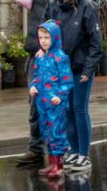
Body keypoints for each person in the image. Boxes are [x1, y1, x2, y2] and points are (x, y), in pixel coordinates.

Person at [2, 0, 62, 166]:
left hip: (54, 59)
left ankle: (59, 151)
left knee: (55, 104)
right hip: (35, 57)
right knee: (35, 105)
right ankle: (35, 150)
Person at [44, 0, 103, 172]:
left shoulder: (87, 6)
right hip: (61, 69)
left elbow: (96, 43)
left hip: (80, 68)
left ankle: (84, 155)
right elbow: (46, 34)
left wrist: (88, 69)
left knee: (79, 109)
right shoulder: (53, 6)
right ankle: (74, 151)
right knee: (66, 110)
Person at [29, 21, 74, 180]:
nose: (43, 41)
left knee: (56, 131)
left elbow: (67, 81)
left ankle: (59, 165)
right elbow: (36, 77)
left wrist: (60, 96)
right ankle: (51, 162)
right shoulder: (40, 57)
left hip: (56, 103)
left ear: (54, 38)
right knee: (46, 131)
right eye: (41, 37)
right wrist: (33, 86)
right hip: (42, 102)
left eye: (47, 37)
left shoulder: (61, 57)